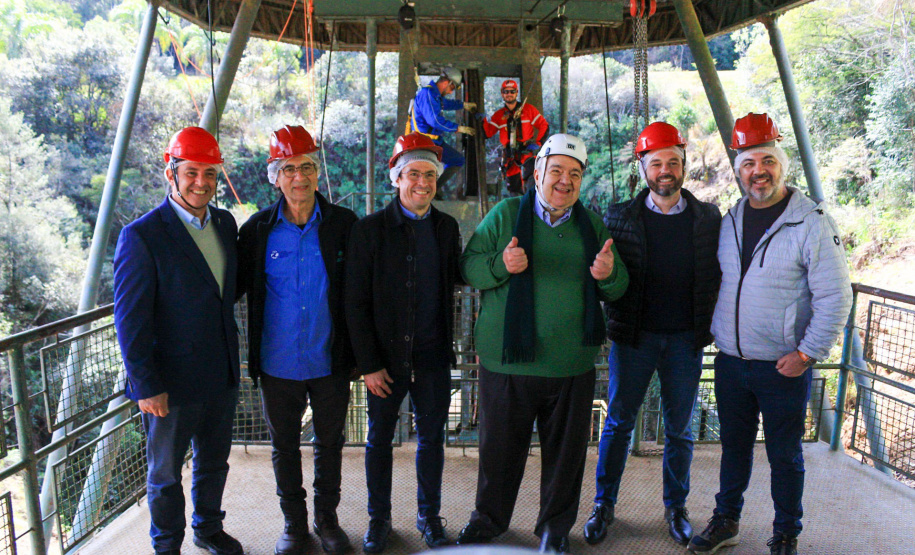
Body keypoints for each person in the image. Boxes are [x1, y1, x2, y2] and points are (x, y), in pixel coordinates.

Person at [456, 133, 630, 553]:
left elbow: (620, 286)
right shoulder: (505, 215)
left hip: (570, 365)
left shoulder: (592, 225)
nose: (564, 181)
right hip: (508, 363)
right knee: (499, 450)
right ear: (537, 173)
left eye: (574, 174)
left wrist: (607, 274)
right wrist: (502, 264)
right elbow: (470, 268)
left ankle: (554, 527)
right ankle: (489, 519)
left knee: (566, 455)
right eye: (556, 171)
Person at [687, 113, 852, 555]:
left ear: (781, 164)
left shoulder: (811, 222)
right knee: (733, 449)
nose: (757, 171)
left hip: (783, 365)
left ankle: (785, 532)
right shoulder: (731, 220)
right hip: (731, 361)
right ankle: (727, 521)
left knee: (785, 455)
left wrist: (807, 353)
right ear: (738, 170)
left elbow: (836, 298)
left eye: (766, 161)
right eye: (748, 163)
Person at [584, 122, 722, 547]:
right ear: (643, 168)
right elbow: (602, 275)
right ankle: (603, 505)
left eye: (673, 163)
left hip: (684, 338)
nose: (665, 170)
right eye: (656, 163)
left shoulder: (706, 218)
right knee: (620, 423)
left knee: (679, 429)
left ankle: (675, 508)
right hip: (634, 337)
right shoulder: (619, 216)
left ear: (683, 166)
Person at [113, 127, 243, 555]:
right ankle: (166, 545)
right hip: (170, 383)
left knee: (213, 463)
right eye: (191, 172)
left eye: (209, 173)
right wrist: (146, 385)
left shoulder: (223, 223)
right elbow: (129, 321)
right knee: (166, 474)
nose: (201, 182)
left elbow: (225, 290)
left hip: (220, 373)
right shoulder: (142, 236)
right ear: (170, 172)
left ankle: (207, 529)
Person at [236, 125, 357, 555]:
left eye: (307, 166)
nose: (299, 177)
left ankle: (328, 520)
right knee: (284, 447)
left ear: (317, 171)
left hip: (329, 361)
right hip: (277, 363)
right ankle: (294, 524)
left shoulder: (343, 225)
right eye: (288, 168)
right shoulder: (256, 232)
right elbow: (226, 288)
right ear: (275, 175)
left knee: (330, 444)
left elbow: (359, 293)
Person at [345, 133, 464, 553]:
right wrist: (369, 363)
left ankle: (428, 517)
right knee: (378, 440)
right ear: (396, 179)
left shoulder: (446, 228)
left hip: (431, 357)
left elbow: (461, 278)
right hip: (385, 362)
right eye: (413, 173)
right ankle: (379, 520)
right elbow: (354, 303)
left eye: (429, 175)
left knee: (432, 438)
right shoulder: (369, 231)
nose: (422, 183)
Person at [478, 79, 549, 195]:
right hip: (510, 157)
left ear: (516, 93)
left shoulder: (528, 110)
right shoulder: (499, 115)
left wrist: (538, 143)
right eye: (506, 92)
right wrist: (483, 120)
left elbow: (544, 125)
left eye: (512, 91)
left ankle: (532, 208)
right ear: (502, 93)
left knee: (533, 187)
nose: (509, 94)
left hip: (526, 154)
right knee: (514, 192)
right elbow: (488, 133)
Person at [409, 66, 477, 187]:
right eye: (452, 87)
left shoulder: (434, 95)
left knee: (457, 160)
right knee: (453, 161)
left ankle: (434, 188)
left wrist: (463, 105)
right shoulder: (427, 94)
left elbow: (445, 104)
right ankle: (432, 189)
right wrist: (458, 128)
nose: (451, 92)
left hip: (434, 141)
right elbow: (435, 121)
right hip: (425, 142)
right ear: (446, 82)